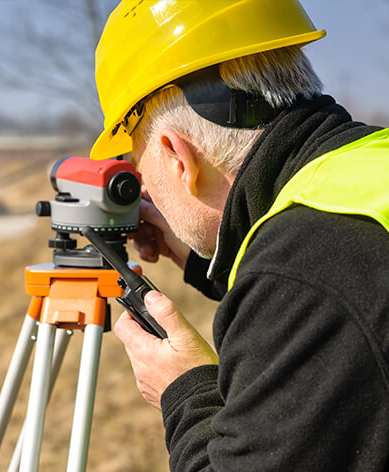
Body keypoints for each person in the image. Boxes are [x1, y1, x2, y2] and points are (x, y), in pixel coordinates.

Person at [90, 1, 389, 470]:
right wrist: (197, 256)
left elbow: (313, 290)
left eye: (140, 164)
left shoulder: (304, 272)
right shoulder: (367, 172)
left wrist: (185, 389)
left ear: (176, 155)